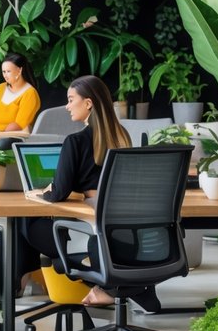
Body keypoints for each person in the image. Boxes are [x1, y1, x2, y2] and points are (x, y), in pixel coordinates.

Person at [15, 75, 155, 309]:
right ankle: (119, 287)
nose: (67, 106)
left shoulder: (75, 142)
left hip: (92, 236)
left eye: (71, 100)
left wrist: (37, 193)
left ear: (88, 103)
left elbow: (58, 193)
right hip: (125, 236)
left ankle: (16, 283)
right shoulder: (122, 136)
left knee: (25, 222)